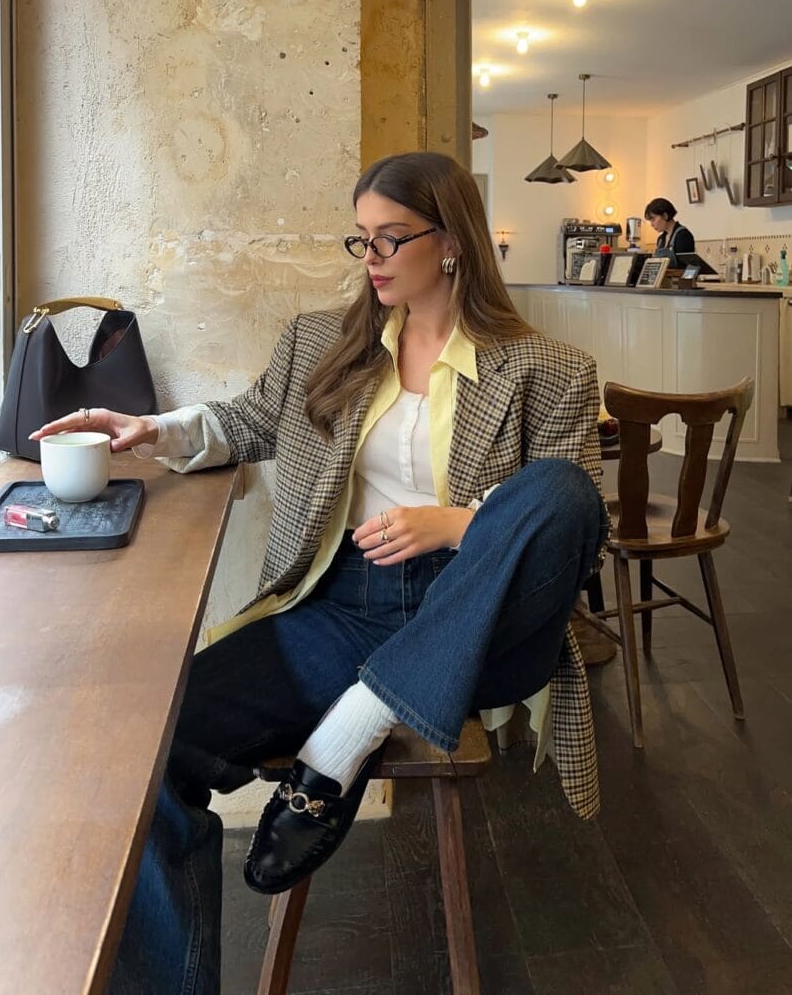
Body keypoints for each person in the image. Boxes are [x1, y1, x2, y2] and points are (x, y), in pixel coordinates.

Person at [31, 151, 608, 993]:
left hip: (485, 623)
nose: (368, 259)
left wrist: (455, 524)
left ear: (450, 242)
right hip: (343, 608)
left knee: (557, 489)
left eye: (389, 239)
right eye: (360, 239)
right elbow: (247, 421)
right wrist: (148, 431)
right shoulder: (320, 342)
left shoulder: (546, 368)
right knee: (152, 755)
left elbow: (574, 532)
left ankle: (348, 731)